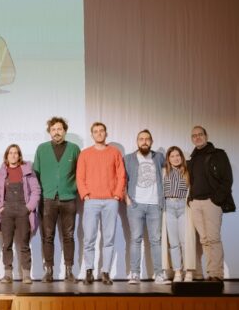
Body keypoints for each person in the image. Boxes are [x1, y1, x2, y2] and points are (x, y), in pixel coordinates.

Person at [76, 122, 125, 285]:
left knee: (109, 238)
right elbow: (80, 177)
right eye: (95, 131)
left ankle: (106, 272)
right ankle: (89, 271)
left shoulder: (115, 152)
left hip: (111, 201)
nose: (99, 133)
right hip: (91, 201)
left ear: (106, 133)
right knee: (89, 238)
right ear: (92, 135)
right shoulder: (85, 154)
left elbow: (121, 175)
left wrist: (117, 195)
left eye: (101, 131)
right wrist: (85, 194)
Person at [32, 116, 80, 283]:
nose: (56, 132)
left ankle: (69, 271)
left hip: (69, 198)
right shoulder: (42, 149)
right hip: (47, 199)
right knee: (47, 236)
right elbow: (35, 174)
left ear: (65, 131)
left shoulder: (74, 149)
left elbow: (80, 173)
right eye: (53, 129)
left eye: (60, 129)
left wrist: (74, 189)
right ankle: (49, 271)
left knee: (69, 236)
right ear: (49, 132)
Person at [188, 125, 234, 282]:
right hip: (196, 203)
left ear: (206, 136)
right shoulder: (192, 158)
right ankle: (211, 272)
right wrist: (190, 200)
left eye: (200, 134)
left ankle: (217, 274)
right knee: (204, 240)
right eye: (194, 135)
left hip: (211, 202)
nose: (197, 137)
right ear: (192, 139)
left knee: (213, 239)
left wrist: (217, 199)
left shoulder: (218, 154)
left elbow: (227, 179)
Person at [124, 130, 169, 284]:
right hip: (135, 204)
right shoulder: (128, 159)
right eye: (141, 139)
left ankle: (159, 274)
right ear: (137, 141)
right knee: (136, 239)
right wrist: (127, 199)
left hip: (155, 205)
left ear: (151, 141)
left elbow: (172, 169)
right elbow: (122, 179)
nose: (144, 141)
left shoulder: (159, 157)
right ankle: (135, 274)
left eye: (147, 139)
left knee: (156, 240)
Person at [0, 144, 41, 284]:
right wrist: (0, 208)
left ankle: (26, 275)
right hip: (6, 211)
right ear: (6, 156)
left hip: (23, 210)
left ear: (19, 156)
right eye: (10, 153)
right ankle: (8, 274)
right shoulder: (1, 173)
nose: (13, 155)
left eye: (15, 153)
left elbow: (36, 191)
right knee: (6, 244)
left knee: (24, 243)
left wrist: (28, 208)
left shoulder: (28, 171)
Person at [161, 146, 198, 283]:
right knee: (173, 242)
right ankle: (177, 271)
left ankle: (189, 271)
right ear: (168, 159)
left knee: (185, 241)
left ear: (182, 157)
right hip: (169, 206)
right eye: (172, 156)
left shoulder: (188, 172)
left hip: (183, 206)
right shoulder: (164, 172)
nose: (175, 158)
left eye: (178, 155)